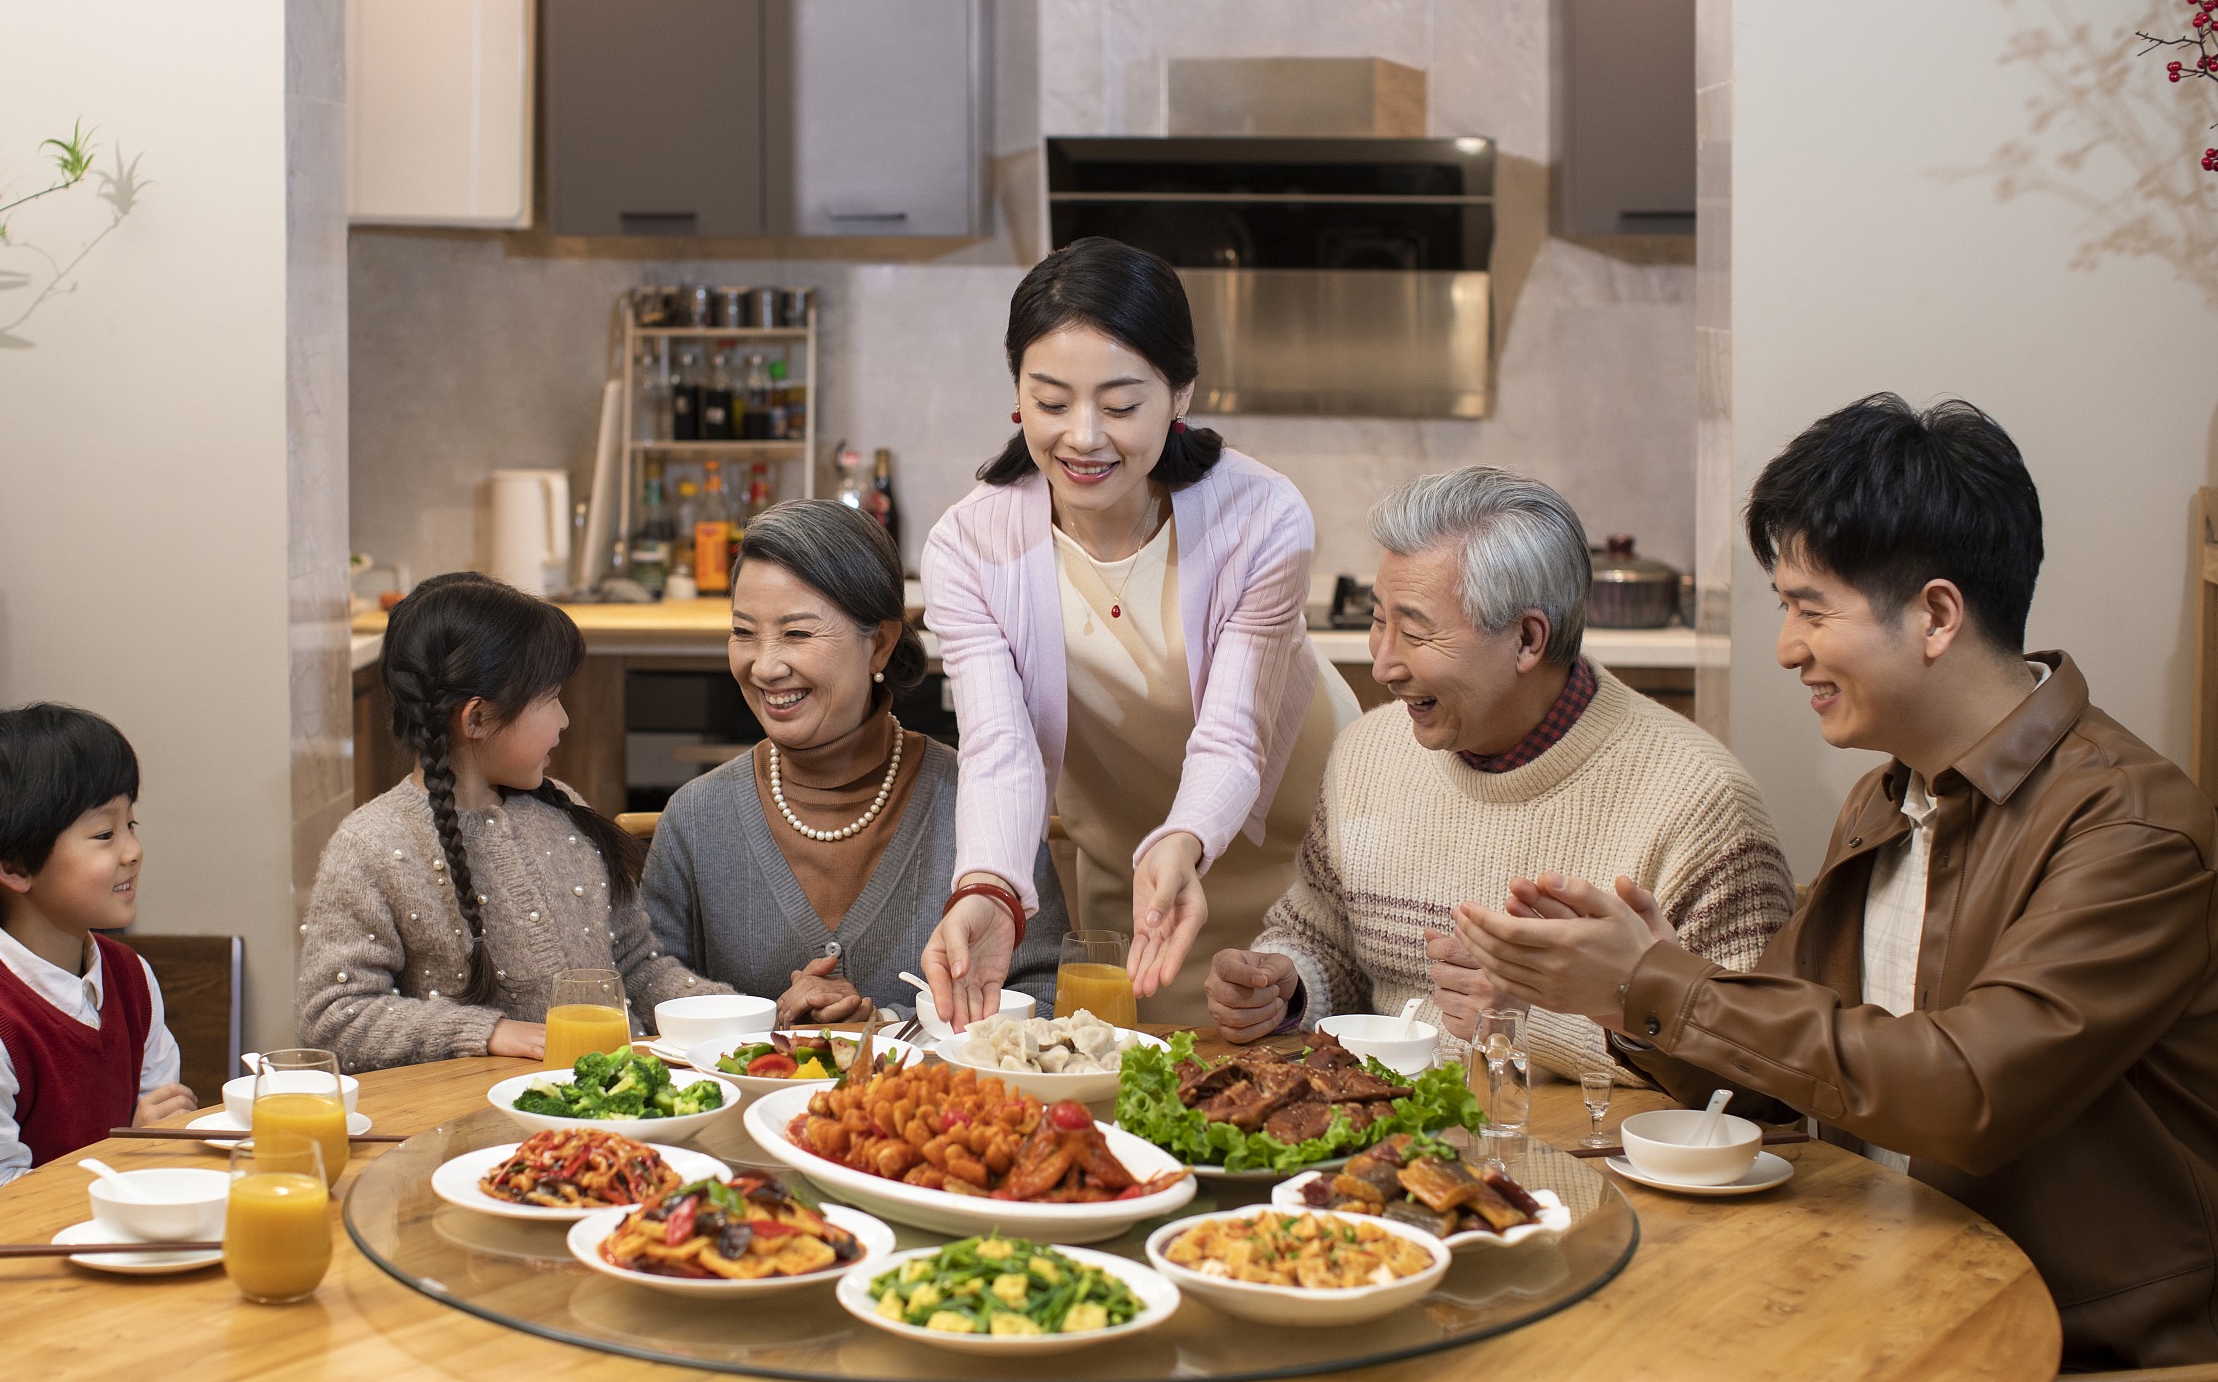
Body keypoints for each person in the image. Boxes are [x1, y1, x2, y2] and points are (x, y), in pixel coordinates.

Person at [1449, 395, 2218, 1382]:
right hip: (1915, 1314)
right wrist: (1628, 981)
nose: (1786, 647)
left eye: (1810, 608)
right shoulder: (1896, 797)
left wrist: (1671, 984)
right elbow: (1783, 1061)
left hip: (2099, 1381)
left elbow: (1963, 1089)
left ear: (1936, 617)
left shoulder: (2133, 830)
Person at [1204, 467, 1793, 1077]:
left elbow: (1756, 1071)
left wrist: (1527, 1021)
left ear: (1527, 640)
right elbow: (1325, 942)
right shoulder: (1367, 755)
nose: (1383, 665)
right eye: (1379, 621)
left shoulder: (1700, 804)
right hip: (1386, 1147)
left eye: (1414, 631)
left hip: (1583, 1163)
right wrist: (1285, 985)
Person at [919, 236, 1362, 1028]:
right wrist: (987, 884)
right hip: (1135, 861)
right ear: (1017, 393)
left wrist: (1185, 838)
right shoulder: (969, 545)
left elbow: (1234, 734)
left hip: (1309, 853)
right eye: (1051, 402)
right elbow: (999, 746)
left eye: (1121, 406)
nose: (1084, 437)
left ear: (1180, 394)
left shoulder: (1261, 517)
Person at [643, 501, 1069, 1023]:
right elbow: (647, 989)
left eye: (797, 633)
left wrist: (887, 1027)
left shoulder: (987, 803)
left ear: (880, 645)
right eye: (744, 632)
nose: (766, 665)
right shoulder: (695, 816)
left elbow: (1051, 997)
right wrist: (770, 1023)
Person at [297, 573, 727, 1067]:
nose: (565, 720)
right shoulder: (371, 846)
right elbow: (334, 1018)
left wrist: (754, 1018)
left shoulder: (564, 809)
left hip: (609, 1115)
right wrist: (490, 1031)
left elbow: (637, 967)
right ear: (476, 719)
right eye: (550, 698)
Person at [0, 704, 196, 1274]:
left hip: (108, 1259)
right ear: (13, 866)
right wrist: (127, 1151)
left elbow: (158, 1129)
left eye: (132, 824)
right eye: (103, 833)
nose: (132, 850)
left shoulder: (130, 979)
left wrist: (154, 1138)